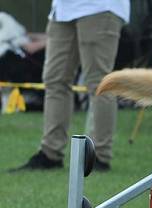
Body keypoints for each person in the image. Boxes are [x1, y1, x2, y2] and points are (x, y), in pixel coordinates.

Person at [12, 0, 130, 172]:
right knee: (55, 80)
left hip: (99, 7)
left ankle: (98, 156)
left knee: (99, 83)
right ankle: (50, 153)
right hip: (62, 10)